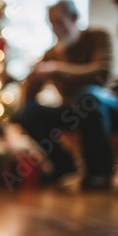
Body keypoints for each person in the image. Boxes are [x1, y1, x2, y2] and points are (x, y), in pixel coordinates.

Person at [16, 0, 117, 190]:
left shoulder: (98, 37)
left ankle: (99, 173)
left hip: (106, 105)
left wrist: (56, 70)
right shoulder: (51, 54)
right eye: (52, 24)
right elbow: (29, 97)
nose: (56, 29)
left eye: (60, 22)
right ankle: (65, 168)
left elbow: (101, 74)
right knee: (27, 112)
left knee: (89, 95)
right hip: (73, 110)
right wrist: (34, 78)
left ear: (75, 18)